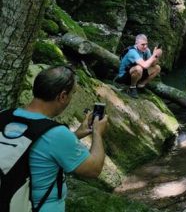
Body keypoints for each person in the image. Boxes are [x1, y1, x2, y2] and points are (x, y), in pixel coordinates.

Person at [0, 66, 108, 211]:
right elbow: (93, 169)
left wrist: (75, 135)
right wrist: (97, 133)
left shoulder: (4, 115)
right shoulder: (56, 134)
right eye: (72, 94)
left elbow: (36, 150)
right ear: (62, 96)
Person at [117, 34, 162, 98]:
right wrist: (154, 55)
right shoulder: (132, 52)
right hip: (124, 77)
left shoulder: (146, 50)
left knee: (157, 68)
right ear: (136, 43)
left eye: (146, 44)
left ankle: (140, 85)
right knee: (139, 68)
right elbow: (144, 65)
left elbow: (153, 65)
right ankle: (132, 87)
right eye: (143, 44)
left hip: (137, 74)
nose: (145, 46)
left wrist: (157, 56)